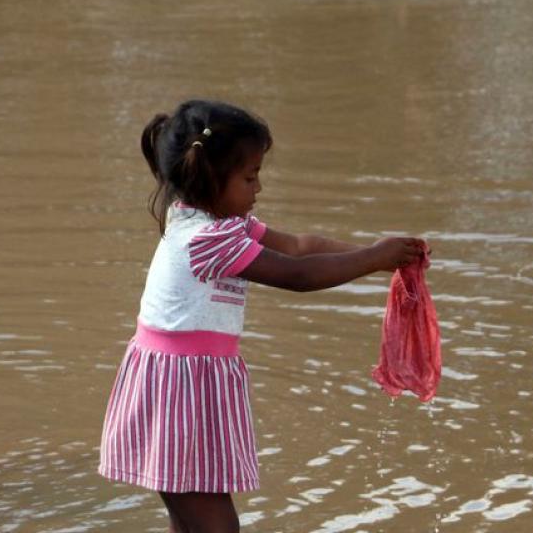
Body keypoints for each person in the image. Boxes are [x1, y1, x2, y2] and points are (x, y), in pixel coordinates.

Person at [97, 100, 427, 532]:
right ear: (210, 178)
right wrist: (372, 257)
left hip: (184, 386)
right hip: (178, 394)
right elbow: (298, 275)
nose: (258, 188)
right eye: (249, 176)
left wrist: (379, 256)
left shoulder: (215, 221)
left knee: (191, 522)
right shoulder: (208, 238)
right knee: (218, 528)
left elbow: (299, 247)